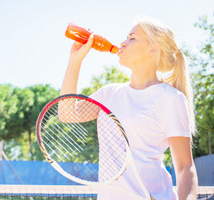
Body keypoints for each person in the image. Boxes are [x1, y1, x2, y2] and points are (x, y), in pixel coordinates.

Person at [60, 17, 198, 200]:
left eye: (132, 38)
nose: (122, 43)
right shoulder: (109, 93)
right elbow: (66, 114)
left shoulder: (170, 98)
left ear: (153, 48)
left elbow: (184, 167)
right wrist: (75, 60)